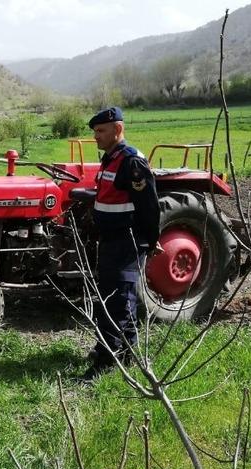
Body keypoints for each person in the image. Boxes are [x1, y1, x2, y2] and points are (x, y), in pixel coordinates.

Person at [82, 107, 161, 381]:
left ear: (117, 130)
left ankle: (107, 359)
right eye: (94, 132)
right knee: (114, 296)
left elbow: (148, 205)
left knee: (117, 300)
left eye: (101, 131)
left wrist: (152, 241)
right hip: (111, 238)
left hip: (127, 240)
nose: (96, 137)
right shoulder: (110, 159)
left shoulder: (131, 161)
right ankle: (128, 351)